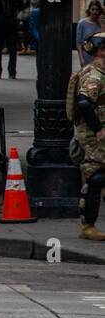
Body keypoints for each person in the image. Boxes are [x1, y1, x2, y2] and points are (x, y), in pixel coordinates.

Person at [70, 32, 105, 240]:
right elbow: (83, 102)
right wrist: (98, 128)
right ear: (101, 50)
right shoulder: (95, 76)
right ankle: (88, 226)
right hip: (94, 138)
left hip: (97, 135)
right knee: (95, 177)